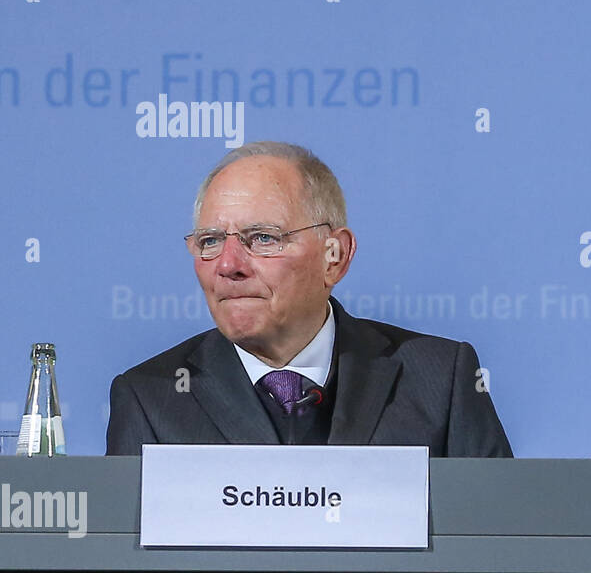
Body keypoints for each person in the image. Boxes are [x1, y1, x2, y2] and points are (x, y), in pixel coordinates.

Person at [106, 142, 512, 456]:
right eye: (210, 241)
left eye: (262, 238)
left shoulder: (440, 380)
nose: (228, 265)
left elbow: (499, 546)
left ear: (334, 257)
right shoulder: (150, 398)